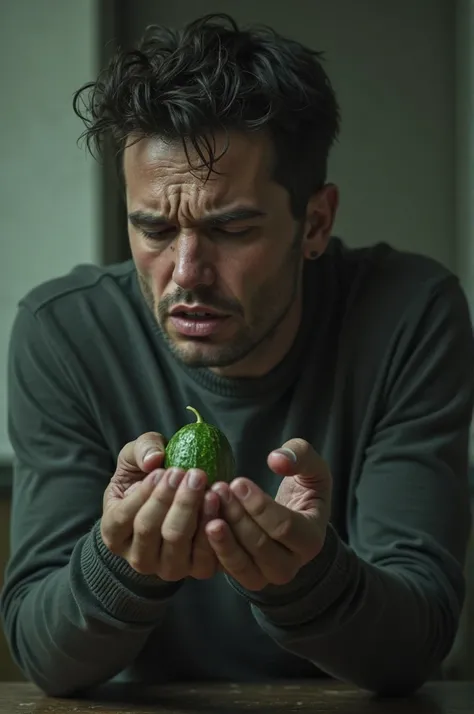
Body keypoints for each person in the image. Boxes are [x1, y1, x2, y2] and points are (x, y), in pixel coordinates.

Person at [1, 12, 473, 700]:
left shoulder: (410, 315)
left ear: (313, 223)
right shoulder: (64, 333)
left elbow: (416, 642)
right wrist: (118, 562)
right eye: (155, 228)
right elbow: (45, 657)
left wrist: (308, 578)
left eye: (232, 228)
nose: (186, 272)